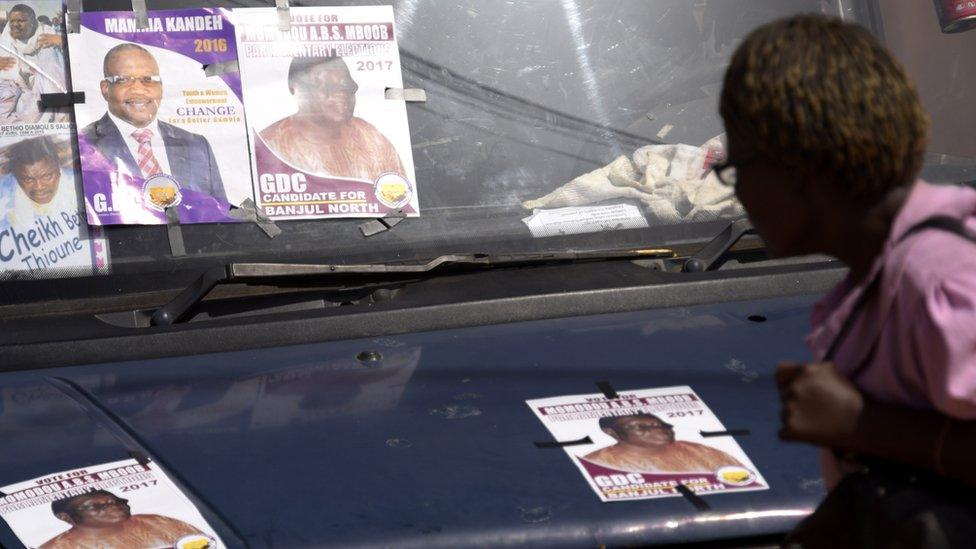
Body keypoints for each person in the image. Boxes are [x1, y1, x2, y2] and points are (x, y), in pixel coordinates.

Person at [717, 14, 976, 545]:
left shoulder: (941, 278)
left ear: (797, 166)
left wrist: (859, 423)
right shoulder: (886, 269)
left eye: (738, 167)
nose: (737, 192)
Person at [80, 43, 227, 202]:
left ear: (161, 87)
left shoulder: (197, 145)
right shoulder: (83, 143)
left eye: (148, 79)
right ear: (106, 89)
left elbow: (220, 214)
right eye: (123, 80)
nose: (138, 89)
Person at [259, 55, 405, 182]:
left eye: (346, 85)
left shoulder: (370, 137)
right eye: (325, 84)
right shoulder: (269, 147)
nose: (341, 92)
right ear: (295, 87)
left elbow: (398, 200)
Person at [39, 489, 207, 549]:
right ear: (66, 517)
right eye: (96, 506)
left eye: (117, 501)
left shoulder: (157, 522)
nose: (115, 506)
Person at [582, 413, 743, 473]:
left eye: (661, 425)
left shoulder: (699, 451)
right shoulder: (598, 462)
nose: (659, 430)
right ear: (612, 433)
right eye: (641, 427)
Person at [0, 4, 67, 124]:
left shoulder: (47, 36)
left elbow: (54, 74)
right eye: (12, 21)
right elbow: (7, 76)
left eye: (21, 20)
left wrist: (62, 41)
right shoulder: (5, 40)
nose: (15, 25)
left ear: (32, 22)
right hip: (17, 88)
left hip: (43, 89)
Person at [0, 135, 77, 229]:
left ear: (58, 169)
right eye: (28, 179)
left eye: (47, 176)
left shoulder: (80, 185)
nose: (39, 187)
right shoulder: (3, 195)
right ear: (15, 176)